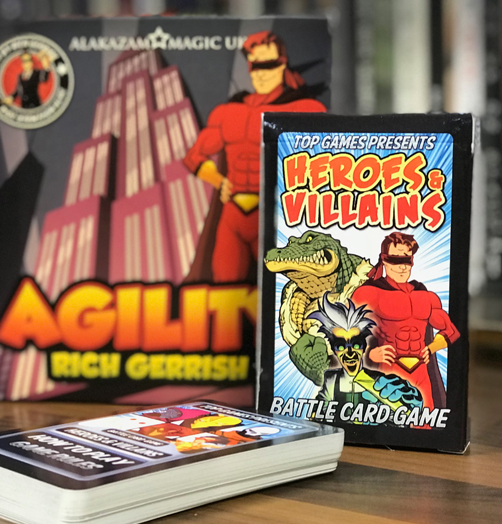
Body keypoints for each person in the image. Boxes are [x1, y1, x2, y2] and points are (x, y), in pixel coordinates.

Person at [183, 30, 327, 282]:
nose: (261, 73)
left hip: (276, 215)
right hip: (234, 212)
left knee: (282, 289)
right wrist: (217, 180)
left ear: (283, 64)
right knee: (226, 289)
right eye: (255, 66)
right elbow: (194, 156)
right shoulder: (229, 112)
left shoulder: (305, 109)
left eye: (268, 65)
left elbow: (325, 164)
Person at [352, 232, 459, 409]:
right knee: (390, 419)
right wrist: (370, 354)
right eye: (396, 260)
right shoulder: (369, 293)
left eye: (407, 260)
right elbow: (346, 332)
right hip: (388, 371)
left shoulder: (425, 296)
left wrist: (432, 347)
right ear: (384, 260)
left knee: (425, 420)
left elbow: (451, 331)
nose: (402, 267)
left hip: (421, 371)